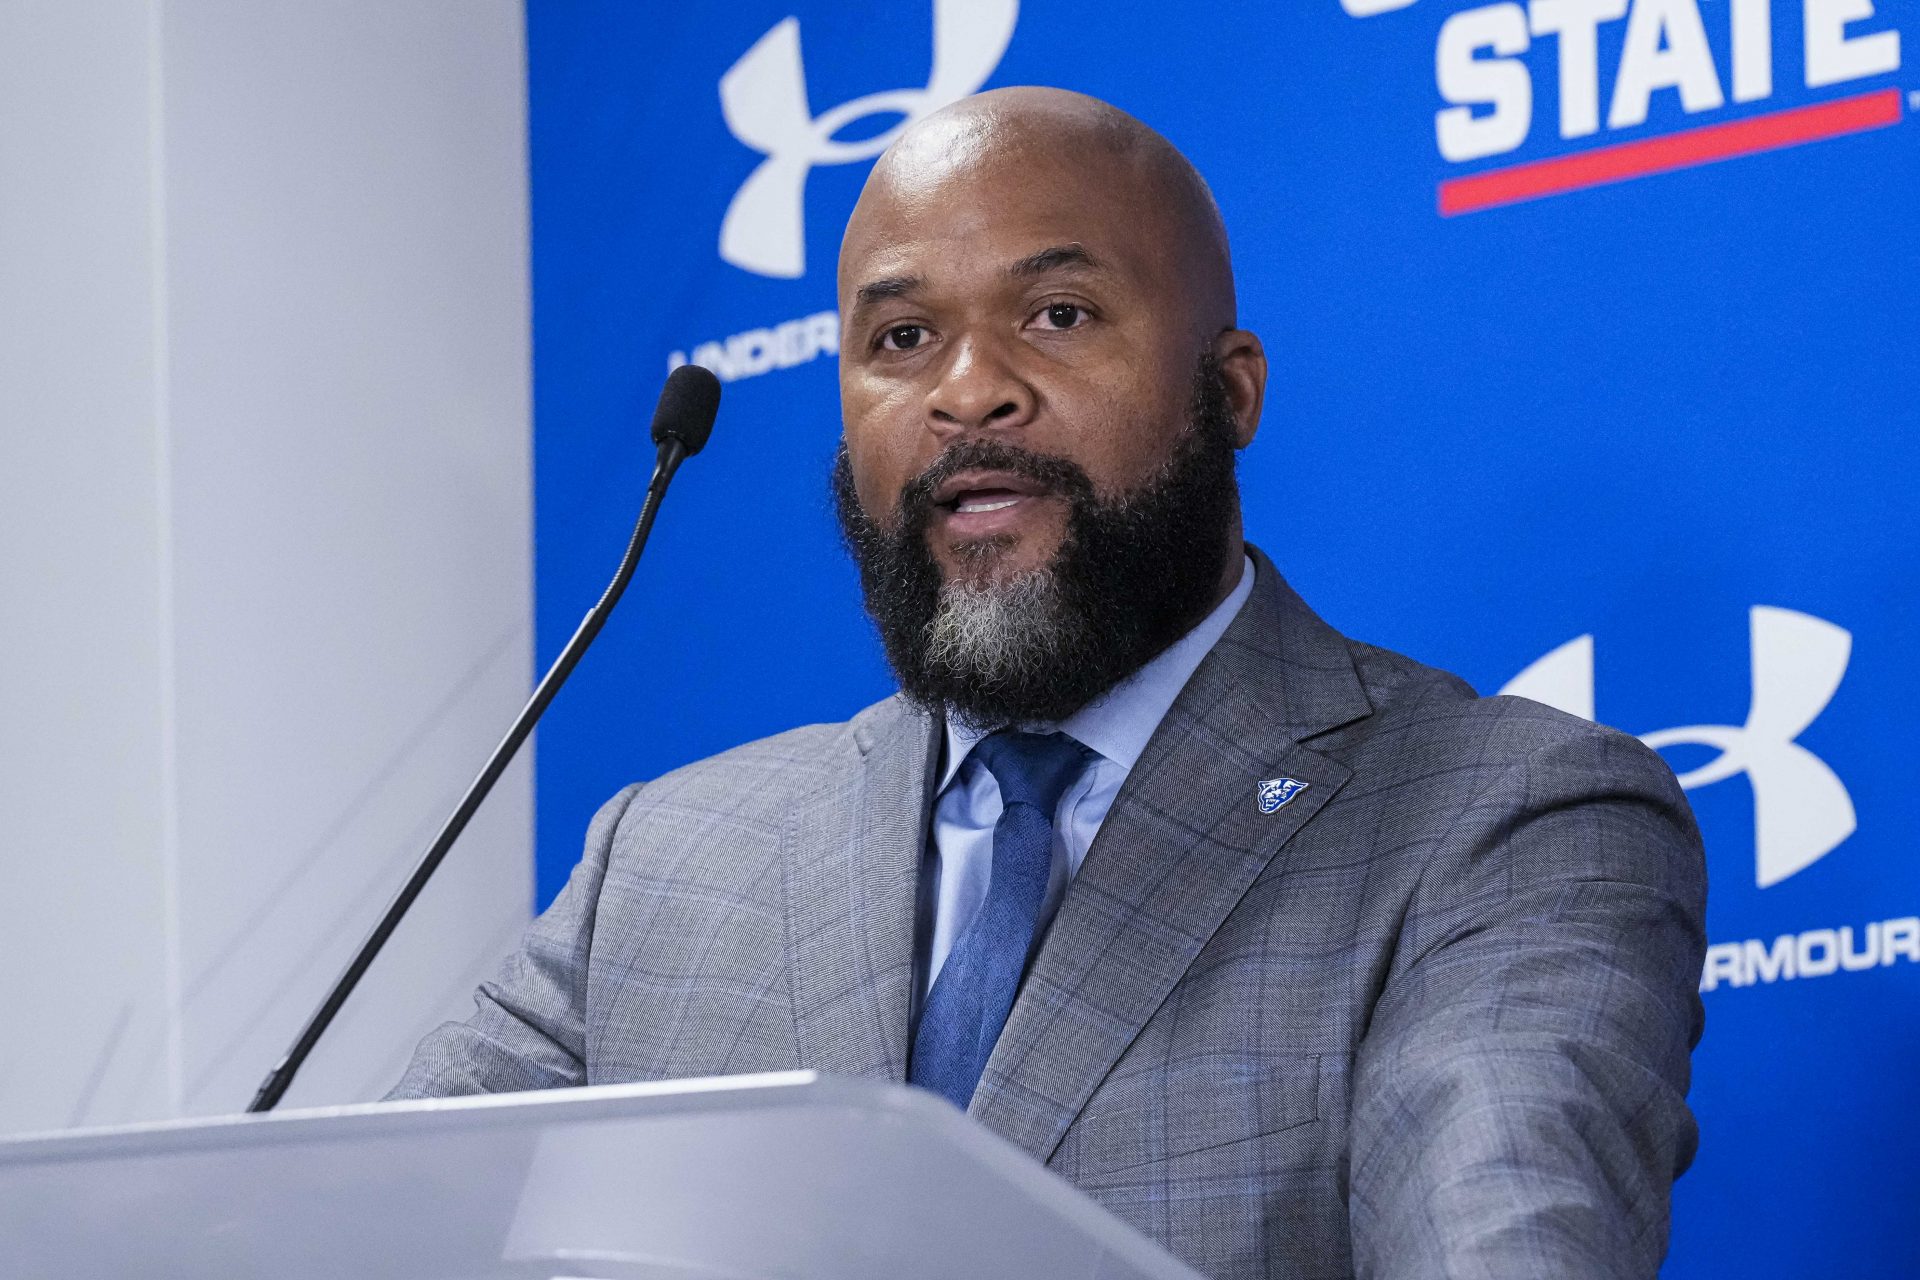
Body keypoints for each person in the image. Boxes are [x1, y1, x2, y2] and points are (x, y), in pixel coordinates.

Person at [389, 87, 1706, 1279]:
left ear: (1231, 389)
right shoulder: (662, 867)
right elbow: (354, 1228)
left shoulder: (1503, 821)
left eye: (1058, 316)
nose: (970, 394)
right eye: (902, 336)